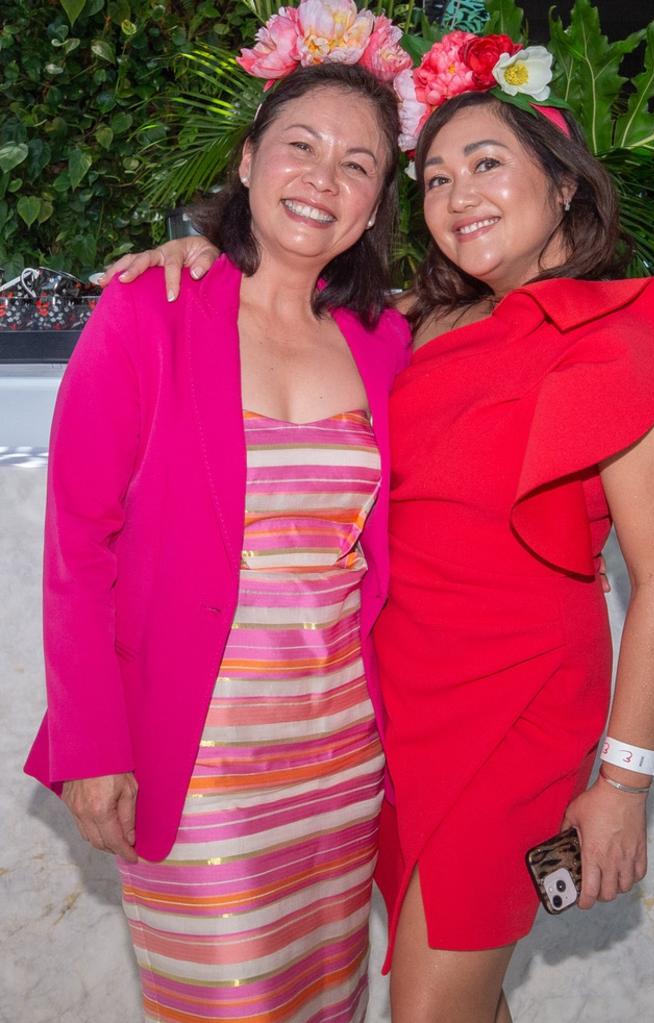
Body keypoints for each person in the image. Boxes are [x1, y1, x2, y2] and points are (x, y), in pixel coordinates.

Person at [102, 34, 654, 1023]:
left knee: (430, 1005)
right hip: (394, 720)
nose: (457, 192)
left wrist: (624, 783)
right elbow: (286, 293)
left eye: (488, 165)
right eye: (432, 178)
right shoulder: (419, 327)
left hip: (519, 715)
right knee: (457, 993)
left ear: (564, 190)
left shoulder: (622, 346)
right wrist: (206, 249)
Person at [24, 60, 412, 1023]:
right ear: (247, 161)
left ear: (372, 208)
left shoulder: (387, 341)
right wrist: (91, 747)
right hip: (195, 758)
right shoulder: (147, 311)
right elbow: (79, 543)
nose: (324, 178)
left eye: (357, 165)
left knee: (330, 1001)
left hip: (340, 757)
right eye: (301, 147)